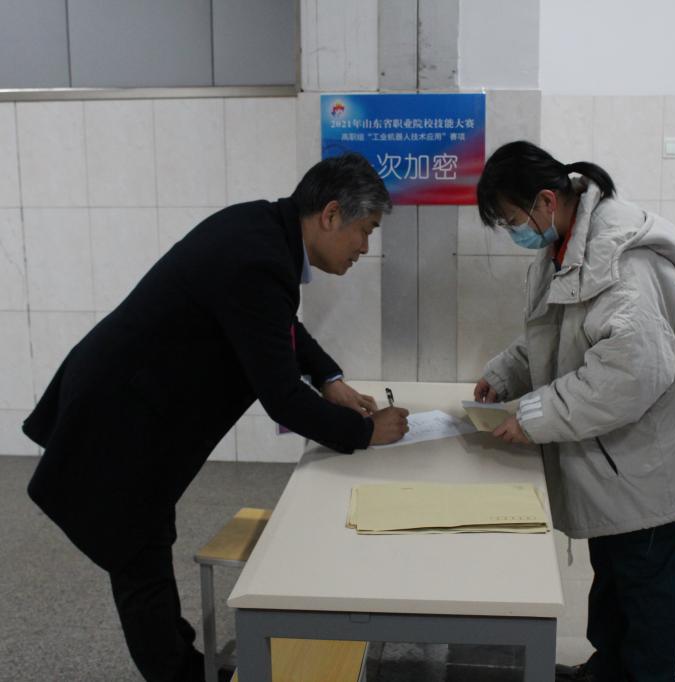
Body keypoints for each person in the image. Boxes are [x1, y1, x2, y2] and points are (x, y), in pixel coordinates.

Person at [22, 153, 410, 682]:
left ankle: (187, 668)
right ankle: (180, 673)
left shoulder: (263, 230)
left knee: (146, 544)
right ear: (331, 214)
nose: (365, 247)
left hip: (132, 404)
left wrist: (328, 377)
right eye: (365, 231)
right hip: (116, 418)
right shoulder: (259, 258)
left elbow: (278, 324)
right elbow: (281, 397)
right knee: (137, 556)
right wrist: (365, 431)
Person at [473, 140, 675, 682]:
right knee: (613, 577)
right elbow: (555, 333)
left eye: (514, 219)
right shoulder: (565, 245)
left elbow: (630, 376)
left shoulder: (623, 266)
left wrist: (536, 415)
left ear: (547, 201)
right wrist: (505, 373)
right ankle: (608, 668)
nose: (515, 232)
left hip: (654, 470)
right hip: (620, 465)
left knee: (644, 594)